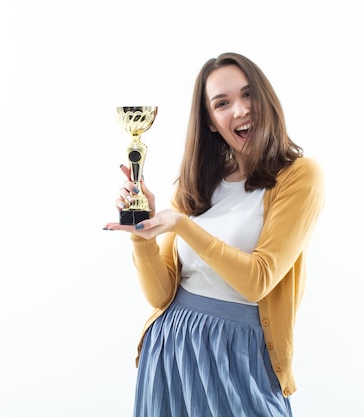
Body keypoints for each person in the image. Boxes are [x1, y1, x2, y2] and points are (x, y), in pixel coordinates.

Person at [103, 52, 324, 417]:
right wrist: (143, 238)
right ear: (209, 121)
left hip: (240, 353)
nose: (239, 110)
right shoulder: (197, 183)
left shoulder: (299, 176)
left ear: (265, 98)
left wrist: (183, 225)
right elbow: (161, 295)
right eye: (222, 103)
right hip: (171, 348)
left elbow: (258, 281)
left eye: (248, 94)